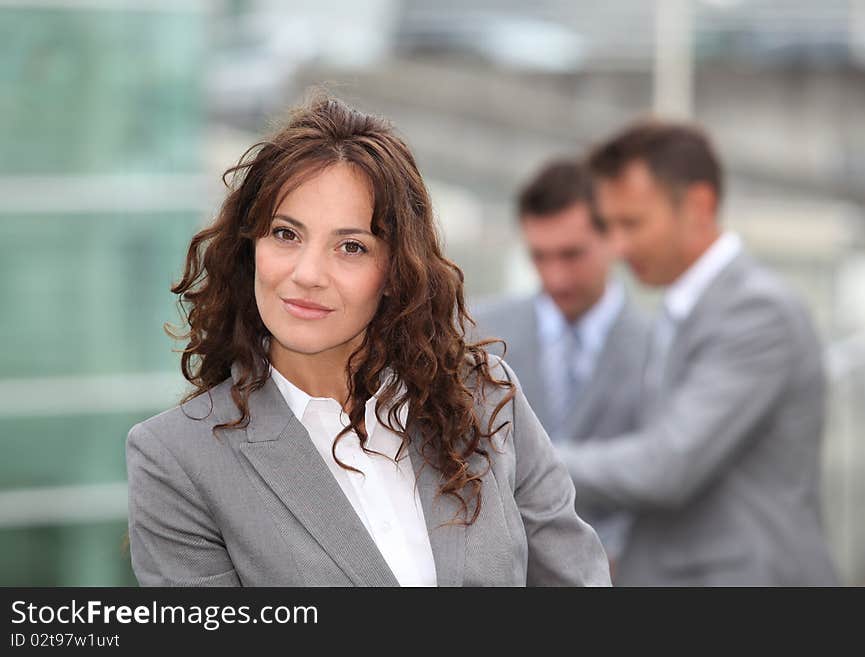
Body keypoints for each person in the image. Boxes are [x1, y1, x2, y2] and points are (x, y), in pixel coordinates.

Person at [125, 94, 610, 587]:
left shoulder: (484, 397)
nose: (308, 274)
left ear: (397, 270)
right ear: (251, 248)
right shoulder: (177, 460)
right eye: (285, 234)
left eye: (351, 247)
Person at [555, 120, 838, 585]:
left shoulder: (756, 311)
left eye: (632, 223)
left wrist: (522, 457)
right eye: (610, 226)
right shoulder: (685, 307)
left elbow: (666, 466)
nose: (618, 246)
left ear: (699, 206)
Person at [471, 159, 648, 567]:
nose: (556, 278)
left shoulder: (661, 348)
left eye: (572, 255)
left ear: (613, 240)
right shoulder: (475, 334)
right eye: (540, 256)